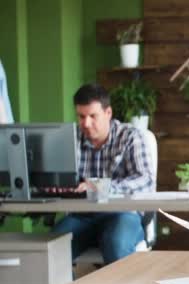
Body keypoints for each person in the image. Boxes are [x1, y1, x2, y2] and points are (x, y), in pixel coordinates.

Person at [52, 84, 155, 264]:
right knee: (52, 248)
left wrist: (99, 187)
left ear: (108, 113)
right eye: (81, 116)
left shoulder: (130, 136)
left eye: (93, 116)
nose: (86, 123)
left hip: (123, 212)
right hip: (82, 214)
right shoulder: (71, 139)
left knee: (116, 244)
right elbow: (59, 175)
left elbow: (145, 180)